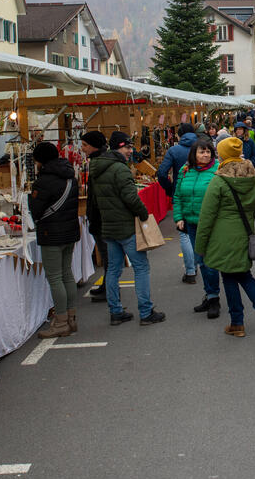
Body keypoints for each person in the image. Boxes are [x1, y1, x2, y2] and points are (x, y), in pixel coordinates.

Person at [195, 137, 255, 337]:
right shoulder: (252, 178)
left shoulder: (219, 180)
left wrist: (200, 245)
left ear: (222, 154)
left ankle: (240, 322)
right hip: (244, 233)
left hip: (222, 237)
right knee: (242, 274)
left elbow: (207, 217)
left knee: (230, 276)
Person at [89, 131, 164, 326]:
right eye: (127, 147)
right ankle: (146, 312)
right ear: (117, 148)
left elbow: (96, 201)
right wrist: (143, 214)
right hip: (125, 226)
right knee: (141, 267)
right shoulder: (120, 169)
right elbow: (131, 198)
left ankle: (115, 311)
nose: (131, 151)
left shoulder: (96, 168)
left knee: (113, 269)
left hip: (108, 226)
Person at [29, 142, 80, 338]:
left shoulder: (44, 181)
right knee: (67, 273)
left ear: (40, 160)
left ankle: (60, 321)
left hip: (51, 233)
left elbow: (36, 209)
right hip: (69, 231)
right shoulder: (69, 176)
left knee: (55, 277)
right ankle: (71, 317)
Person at [174, 136, 222, 319]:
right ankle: (210, 295)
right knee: (200, 260)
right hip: (192, 223)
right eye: (201, 152)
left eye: (208, 151)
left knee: (209, 261)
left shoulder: (218, 170)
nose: (205, 155)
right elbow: (177, 195)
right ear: (194, 154)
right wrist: (179, 217)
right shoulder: (185, 170)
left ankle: (214, 298)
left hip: (212, 224)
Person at [156, 123, 199, 284]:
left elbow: (162, 172)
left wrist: (170, 189)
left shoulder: (174, 150)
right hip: (201, 192)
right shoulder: (202, 147)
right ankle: (198, 264)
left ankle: (190, 270)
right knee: (199, 229)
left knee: (185, 232)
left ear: (179, 136)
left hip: (180, 193)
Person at [79, 131, 110, 302]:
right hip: (100, 217)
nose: (82, 149)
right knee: (107, 256)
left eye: (85, 145)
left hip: (101, 218)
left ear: (94, 146)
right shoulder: (97, 162)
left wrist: (94, 214)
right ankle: (107, 286)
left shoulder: (99, 164)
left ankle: (110, 290)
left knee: (107, 256)